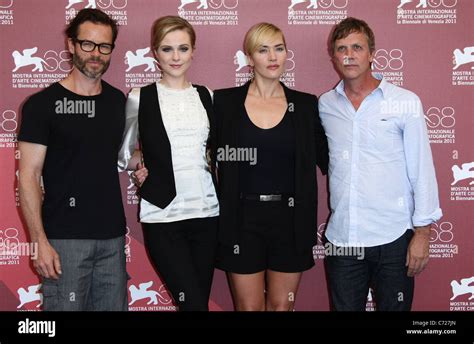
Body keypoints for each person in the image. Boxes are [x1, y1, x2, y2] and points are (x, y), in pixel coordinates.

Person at [319, 17, 442, 311]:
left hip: (394, 238)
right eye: (342, 48)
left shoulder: (405, 101)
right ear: (334, 56)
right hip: (343, 240)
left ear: (372, 53)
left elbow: (422, 168)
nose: (349, 54)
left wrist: (422, 233)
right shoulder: (325, 105)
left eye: (357, 47)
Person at [18, 9, 128, 311]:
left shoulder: (119, 102)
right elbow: (28, 175)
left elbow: (124, 156)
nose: (96, 53)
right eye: (87, 44)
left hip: (113, 239)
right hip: (63, 241)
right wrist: (39, 241)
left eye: (104, 46)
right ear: (71, 45)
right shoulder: (42, 105)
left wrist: (143, 167)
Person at [214, 23, 328, 311]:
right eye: (263, 50)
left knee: (281, 308)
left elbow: (332, 157)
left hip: (290, 222)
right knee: (249, 309)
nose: (273, 56)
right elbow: (198, 152)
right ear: (250, 58)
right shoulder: (224, 103)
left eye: (279, 48)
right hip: (241, 222)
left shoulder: (304, 106)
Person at [118, 16, 219, 311]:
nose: (176, 57)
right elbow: (124, 154)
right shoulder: (140, 97)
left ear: (193, 51)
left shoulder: (206, 96)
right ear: (155, 53)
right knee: (192, 304)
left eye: (183, 48)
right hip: (163, 214)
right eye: (167, 49)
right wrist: (141, 167)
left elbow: (213, 151)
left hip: (207, 212)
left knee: (197, 301)